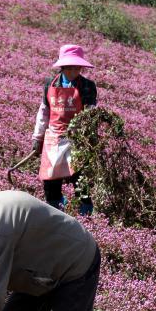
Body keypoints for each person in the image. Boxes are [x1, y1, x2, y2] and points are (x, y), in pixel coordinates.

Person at [30, 44, 97, 214]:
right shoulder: (49, 84)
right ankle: (55, 210)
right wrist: (37, 138)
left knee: (79, 178)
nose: (74, 70)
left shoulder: (88, 86)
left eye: (77, 67)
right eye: (71, 67)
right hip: (53, 138)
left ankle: (86, 213)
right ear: (63, 67)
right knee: (51, 179)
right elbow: (44, 111)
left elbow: (91, 113)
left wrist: (87, 137)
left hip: (77, 138)